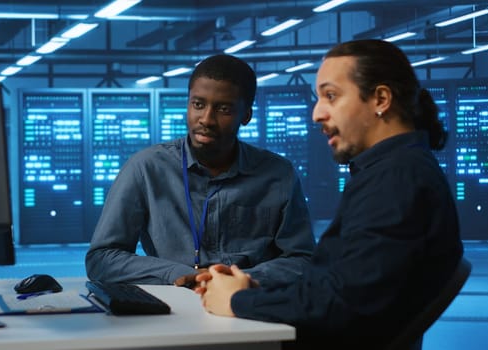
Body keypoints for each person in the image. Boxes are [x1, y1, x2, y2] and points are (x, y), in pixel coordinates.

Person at [195, 39, 464, 350]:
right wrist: (257, 294)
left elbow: (341, 306)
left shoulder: (396, 181)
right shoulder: (395, 170)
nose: (316, 114)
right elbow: (344, 287)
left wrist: (238, 301)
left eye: (331, 96)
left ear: (380, 98)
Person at [86, 54, 316, 287]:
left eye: (223, 109)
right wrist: (178, 274)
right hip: (173, 311)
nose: (206, 119)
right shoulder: (146, 168)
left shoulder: (278, 174)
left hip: (251, 307)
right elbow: (102, 258)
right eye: (198, 104)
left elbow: (303, 259)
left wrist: (242, 279)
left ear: (246, 115)